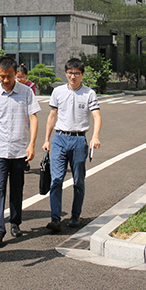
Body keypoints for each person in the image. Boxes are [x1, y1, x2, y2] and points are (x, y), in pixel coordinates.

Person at [0, 56, 40, 247]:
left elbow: (33, 118)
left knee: (17, 188)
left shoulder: (26, 92)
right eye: (1, 77)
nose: (5, 80)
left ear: (15, 74)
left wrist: (31, 144)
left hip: (19, 150)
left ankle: (15, 222)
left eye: (8, 76)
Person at [42, 58, 102, 232]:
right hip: (59, 138)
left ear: (82, 74)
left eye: (76, 73)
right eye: (69, 73)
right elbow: (52, 116)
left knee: (79, 181)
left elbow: (97, 116)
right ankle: (55, 219)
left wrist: (95, 137)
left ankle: (75, 216)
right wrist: (47, 139)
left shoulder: (89, 93)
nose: (72, 76)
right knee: (56, 180)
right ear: (66, 73)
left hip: (79, 140)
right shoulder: (58, 92)